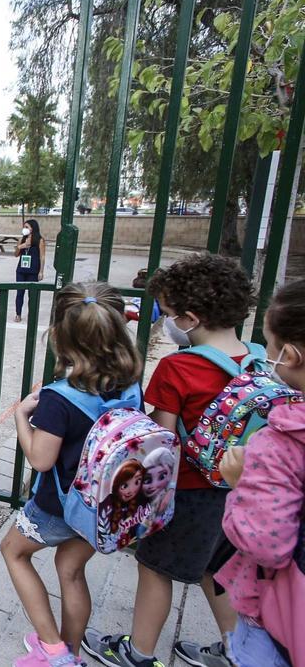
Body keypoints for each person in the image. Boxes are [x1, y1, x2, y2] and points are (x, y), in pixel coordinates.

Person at [84, 253, 255, 667]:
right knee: (218, 569)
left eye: (171, 315)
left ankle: (138, 652)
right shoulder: (258, 360)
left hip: (188, 494)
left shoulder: (179, 368)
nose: (167, 323)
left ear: (192, 318)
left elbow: (160, 440)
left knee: (154, 569)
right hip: (236, 491)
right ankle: (239, 650)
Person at [4, 282, 143, 667]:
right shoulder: (131, 385)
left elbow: (41, 460)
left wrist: (20, 416)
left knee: (13, 553)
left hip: (62, 505)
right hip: (107, 505)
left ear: (62, 340)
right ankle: (73, 652)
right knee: (71, 569)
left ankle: (53, 650)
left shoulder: (59, 397)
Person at [216, 279, 305, 667]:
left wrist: (240, 486)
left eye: (268, 344)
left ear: (291, 355)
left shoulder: (283, 439)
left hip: (283, 622)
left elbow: (264, 543)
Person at [13, 219, 46, 323]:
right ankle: (18, 314)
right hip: (21, 270)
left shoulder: (39, 240)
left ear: (33, 228)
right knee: (20, 293)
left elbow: (42, 256)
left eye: (27, 227)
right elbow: (16, 254)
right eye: (24, 227)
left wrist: (41, 271)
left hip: (33, 270)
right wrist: (21, 246)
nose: (25, 229)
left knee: (32, 294)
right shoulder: (22, 239)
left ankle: (32, 314)